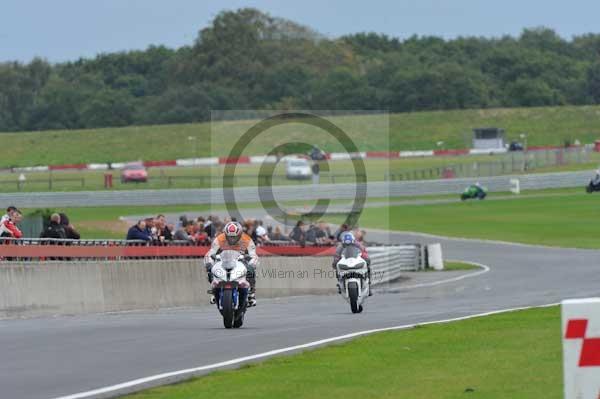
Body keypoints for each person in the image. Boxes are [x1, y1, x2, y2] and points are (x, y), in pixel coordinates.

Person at [203, 221, 259, 307]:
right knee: (211, 270)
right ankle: (214, 290)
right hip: (224, 260)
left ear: (240, 234)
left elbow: (254, 255)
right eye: (229, 237)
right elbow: (210, 253)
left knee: (251, 270)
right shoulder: (219, 239)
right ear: (225, 234)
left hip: (241, 261)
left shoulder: (247, 240)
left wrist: (252, 264)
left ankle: (251, 293)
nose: (232, 239)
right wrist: (208, 264)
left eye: (234, 237)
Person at [332, 232, 372, 296]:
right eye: (346, 243)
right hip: (345, 261)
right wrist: (335, 263)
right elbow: (337, 255)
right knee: (337, 268)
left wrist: (366, 259)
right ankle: (340, 283)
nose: (348, 244)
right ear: (343, 242)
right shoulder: (340, 247)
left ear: (353, 241)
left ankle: (369, 285)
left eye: (350, 243)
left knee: (368, 268)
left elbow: (364, 252)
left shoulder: (358, 244)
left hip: (356, 261)